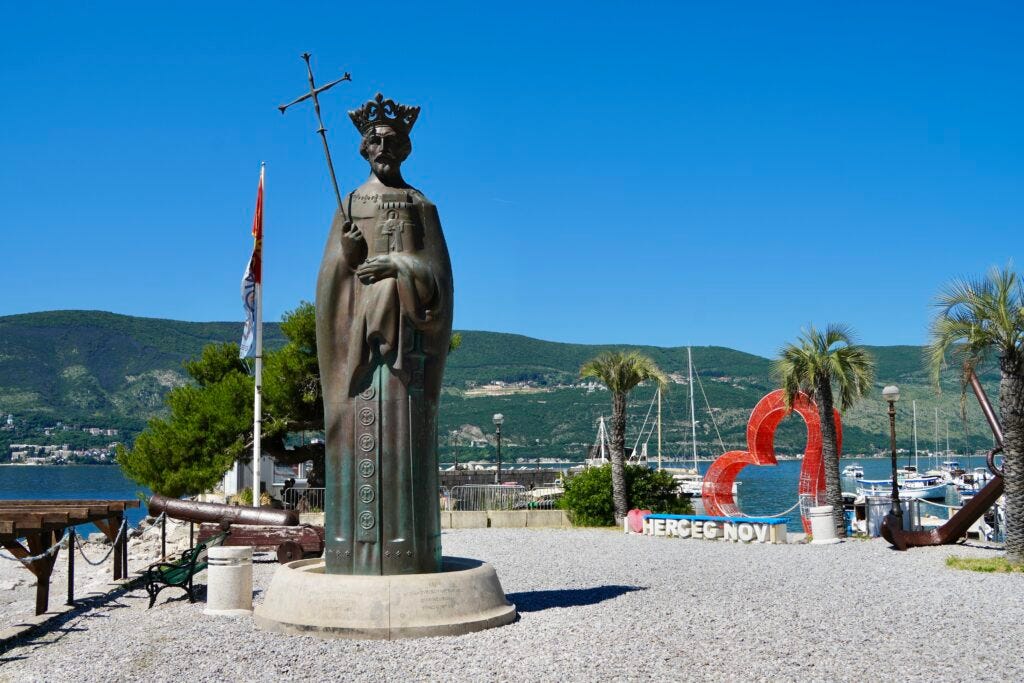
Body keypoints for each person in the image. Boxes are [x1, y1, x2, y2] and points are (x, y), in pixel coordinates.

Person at [316, 93, 453, 575]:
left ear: (405, 148)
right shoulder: (351, 204)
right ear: (363, 149)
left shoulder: (421, 205)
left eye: (391, 141)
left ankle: (410, 554)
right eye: (374, 141)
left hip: (406, 357)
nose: (382, 148)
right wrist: (348, 255)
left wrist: (398, 265)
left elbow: (440, 279)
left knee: (404, 449)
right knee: (358, 445)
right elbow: (332, 284)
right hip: (359, 354)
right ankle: (351, 554)